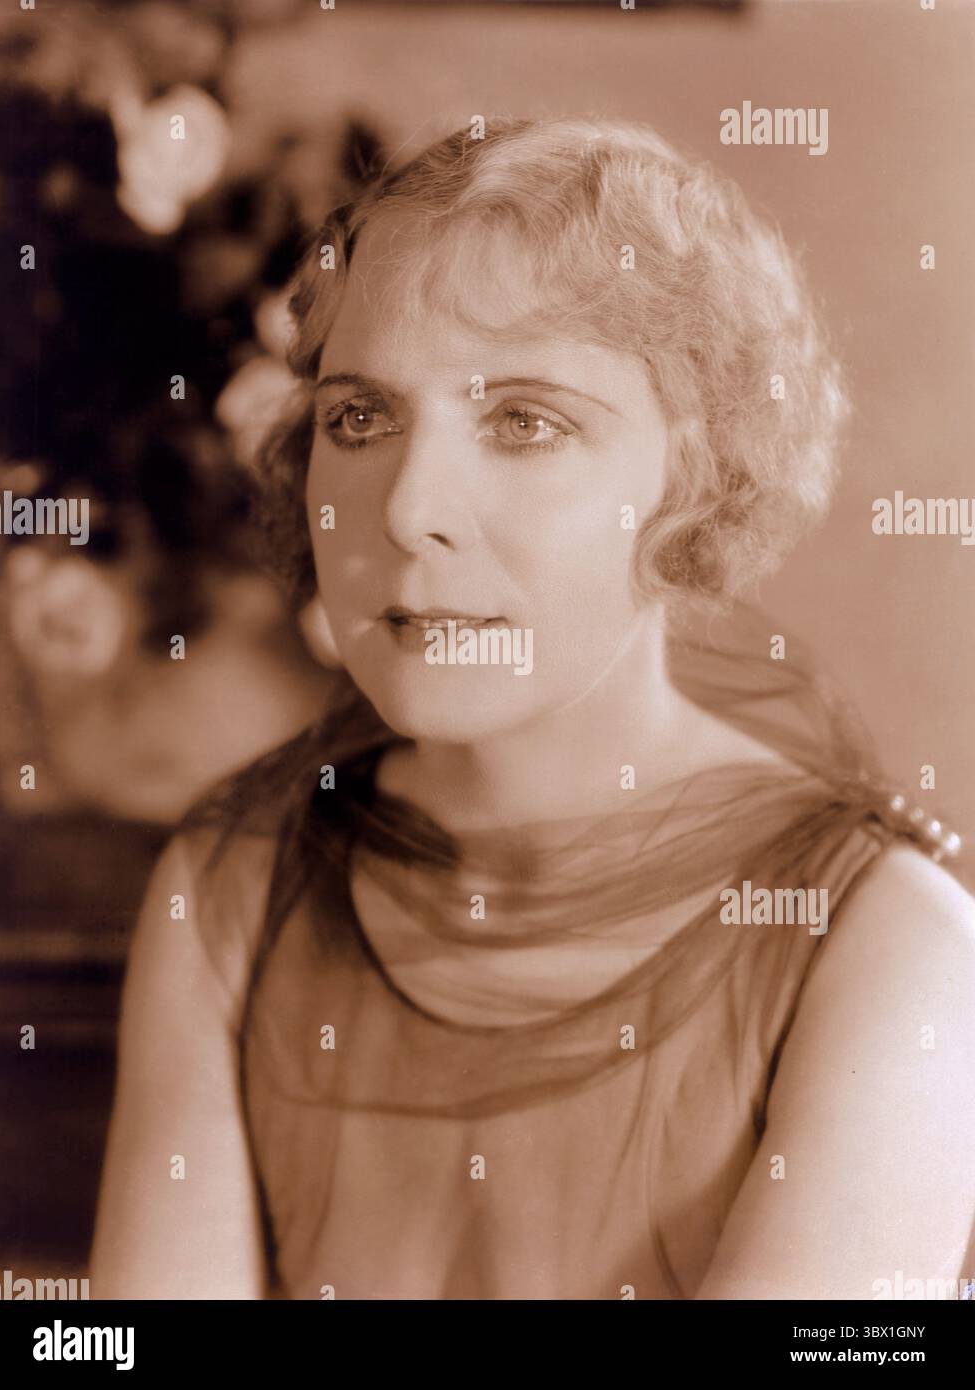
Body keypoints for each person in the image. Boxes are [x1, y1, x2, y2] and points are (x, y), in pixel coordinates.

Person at [90, 116, 975, 1301]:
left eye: (522, 421)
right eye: (359, 418)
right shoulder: (230, 889)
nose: (408, 507)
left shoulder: (889, 943)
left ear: (695, 474)